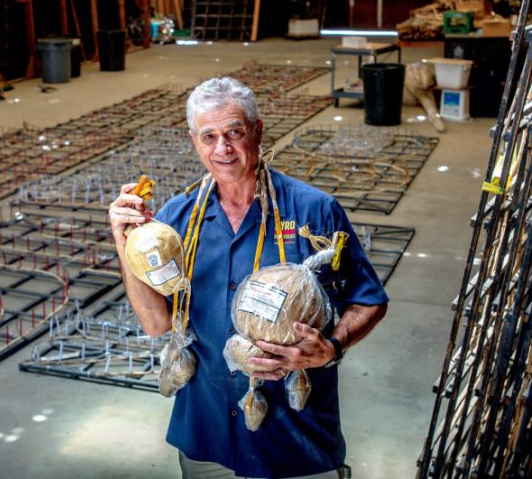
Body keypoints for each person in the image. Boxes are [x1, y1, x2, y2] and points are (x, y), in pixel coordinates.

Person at [109, 76, 388, 479]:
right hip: (207, 435)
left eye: (234, 133)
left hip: (293, 440)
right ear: (194, 140)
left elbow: (370, 299)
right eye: (209, 136)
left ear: (257, 132)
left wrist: (332, 347)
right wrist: (125, 242)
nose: (222, 148)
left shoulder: (314, 212)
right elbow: (156, 323)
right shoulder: (177, 220)